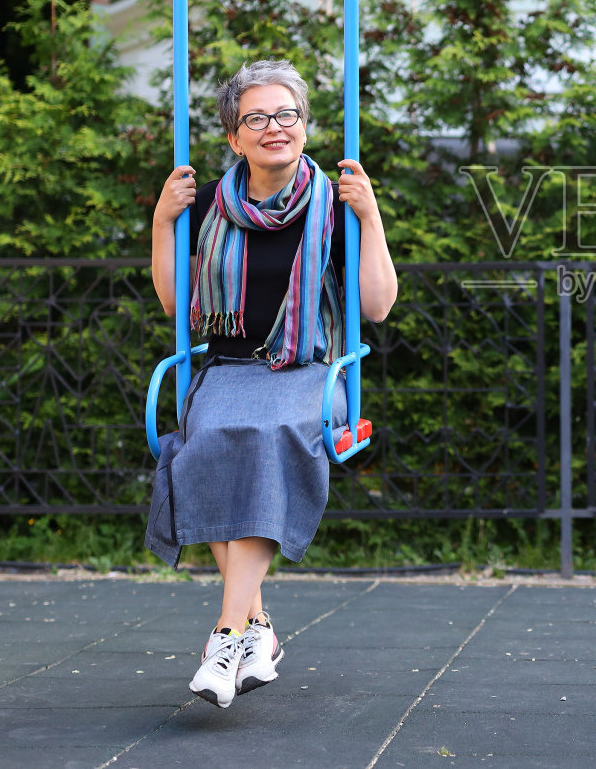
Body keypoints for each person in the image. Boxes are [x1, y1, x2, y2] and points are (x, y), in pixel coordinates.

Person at [145, 59, 397, 707]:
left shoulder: (334, 203)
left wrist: (370, 220)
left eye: (286, 114)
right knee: (205, 443)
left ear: (304, 126)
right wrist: (161, 224)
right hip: (229, 368)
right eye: (255, 117)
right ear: (234, 137)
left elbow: (376, 305)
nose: (274, 127)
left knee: (263, 436)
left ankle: (228, 633)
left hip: (307, 369)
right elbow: (178, 308)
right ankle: (256, 629)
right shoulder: (206, 205)